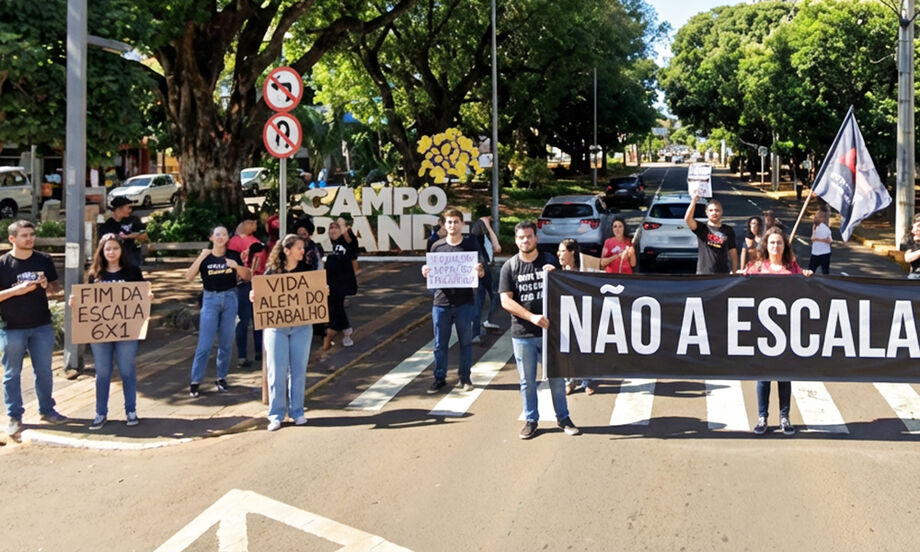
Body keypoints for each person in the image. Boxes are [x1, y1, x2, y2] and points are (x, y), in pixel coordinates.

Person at [500, 221, 579, 439]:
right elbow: (506, 301)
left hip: (549, 333)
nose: (525, 240)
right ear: (516, 240)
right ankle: (531, 420)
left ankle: (564, 418)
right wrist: (532, 317)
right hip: (522, 334)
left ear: (536, 238)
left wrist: (555, 275)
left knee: (556, 377)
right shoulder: (510, 267)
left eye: (529, 236)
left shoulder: (548, 260)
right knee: (527, 381)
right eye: (521, 237)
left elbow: (564, 288)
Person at [742, 226, 813, 435]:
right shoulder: (757, 267)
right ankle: (762, 417)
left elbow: (805, 289)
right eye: (772, 242)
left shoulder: (792, 268)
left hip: (787, 331)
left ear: (785, 245)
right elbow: (740, 287)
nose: (775, 246)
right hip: (762, 332)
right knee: (763, 377)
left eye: (779, 242)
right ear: (766, 245)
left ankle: (785, 416)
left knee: (784, 376)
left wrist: (807, 276)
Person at [0, 220, 67, 436]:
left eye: (31, 234)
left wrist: (48, 285)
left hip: (41, 325)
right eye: (23, 235)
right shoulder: (3, 264)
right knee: (12, 373)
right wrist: (15, 292)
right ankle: (14, 416)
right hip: (12, 327)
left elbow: (57, 290)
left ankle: (47, 410)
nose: (29, 239)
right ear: (12, 239)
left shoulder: (43, 259)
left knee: (45, 371)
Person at [77, 234, 146, 430]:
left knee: (126, 370)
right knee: (103, 372)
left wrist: (147, 296)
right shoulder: (94, 275)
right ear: (102, 251)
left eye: (115, 248)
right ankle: (100, 413)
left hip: (126, 330)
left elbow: (141, 297)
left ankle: (131, 410)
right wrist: (77, 302)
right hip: (100, 331)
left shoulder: (133, 272)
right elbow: (87, 300)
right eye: (107, 249)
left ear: (121, 250)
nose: (111, 252)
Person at [421, 208, 485, 393]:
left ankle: (465, 378)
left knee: (465, 342)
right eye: (449, 222)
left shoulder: (471, 245)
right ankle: (439, 378)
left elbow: (481, 269)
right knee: (440, 343)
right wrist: (425, 271)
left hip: (464, 302)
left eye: (456, 222)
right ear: (444, 224)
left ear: (462, 224)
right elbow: (430, 269)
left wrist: (479, 271)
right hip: (441, 303)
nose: (452, 225)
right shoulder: (436, 246)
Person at [257, 234, 315, 431]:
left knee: (298, 371)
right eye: (299, 248)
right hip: (276, 328)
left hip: (302, 327)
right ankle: (276, 414)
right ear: (287, 251)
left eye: (303, 248)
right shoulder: (271, 274)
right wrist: (254, 296)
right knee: (277, 372)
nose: (303, 251)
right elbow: (261, 296)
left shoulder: (307, 271)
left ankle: (297, 411)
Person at [186, 225, 251, 397]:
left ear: (228, 238)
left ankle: (221, 377)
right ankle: (195, 381)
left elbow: (247, 276)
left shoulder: (233, 256)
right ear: (211, 238)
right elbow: (189, 276)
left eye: (223, 234)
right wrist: (200, 257)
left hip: (230, 298)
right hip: (210, 299)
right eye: (217, 234)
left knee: (226, 342)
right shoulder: (206, 257)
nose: (220, 237)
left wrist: (236, 266)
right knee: (204, 344)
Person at [557, 238, 596, 396]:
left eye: (563, 251)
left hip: (583, 314)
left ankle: (587, 381)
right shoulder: (556, 273)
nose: (560, 254)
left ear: (572, 252)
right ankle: (570, 381)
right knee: (567, 350)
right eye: (558, 251)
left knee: (585, 349)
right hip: (565, 316)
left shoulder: (582, 271)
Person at [227, 218, 264, 367]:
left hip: (250, 283)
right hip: (251, 283)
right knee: (251, 320)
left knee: (250, 320)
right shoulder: (241, 242)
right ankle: (251, 353)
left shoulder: (241, 241)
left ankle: (250, 353)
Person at [468, 209, 502, 344]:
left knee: (487, 297)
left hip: (484, 267)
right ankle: (481, 327)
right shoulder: (478, 228)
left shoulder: (476, 232)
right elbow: (497, 247)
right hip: (482, 268)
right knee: (483, 298)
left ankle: (483, 324)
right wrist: (486, 224)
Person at [323, 218, 358, 349]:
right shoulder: (334, 245)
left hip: (342, 282)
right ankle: (345, 330)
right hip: (332, 283)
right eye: (330, 228)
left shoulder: (347, 242)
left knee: (336, 307)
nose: (332, 230)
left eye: (335, 227)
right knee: (336, 307)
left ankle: (342, 331)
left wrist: (342, 225)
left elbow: (350, 239)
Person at [684, 195, 738, 274]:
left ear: (721, 212)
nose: (714, 213)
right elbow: (688, 219)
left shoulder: (728, 230)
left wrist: (734, 271)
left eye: (717, 210)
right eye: (711, 210)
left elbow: (733, 253)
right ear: (706, 212)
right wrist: (694, 201)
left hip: (723, 273)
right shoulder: (701, 227)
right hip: (704, 273)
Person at [98, 196, 146, 267]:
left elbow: (144, 235)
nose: (130, 210)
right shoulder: (107, 225)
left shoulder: (134, 220)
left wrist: (129, 236)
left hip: (133, 257)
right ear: (119, 208)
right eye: (128, 208)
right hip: (115, 259)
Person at [808, 209, 832, 275]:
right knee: (811, 271)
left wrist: (818, 239)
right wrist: (817, 239)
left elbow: (829, 241)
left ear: (822, 219)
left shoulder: (826, 228)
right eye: (815, 217)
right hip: (815, 252)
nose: (815, 218)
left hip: (824, 253)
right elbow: (813, 238)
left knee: (825, 272)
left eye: (818, 217)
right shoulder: (814, 226)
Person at [904, 214, 920, 279]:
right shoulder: (909, 239)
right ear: (913, 227)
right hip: (916, 275)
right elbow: (907, 258)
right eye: (918, 225)